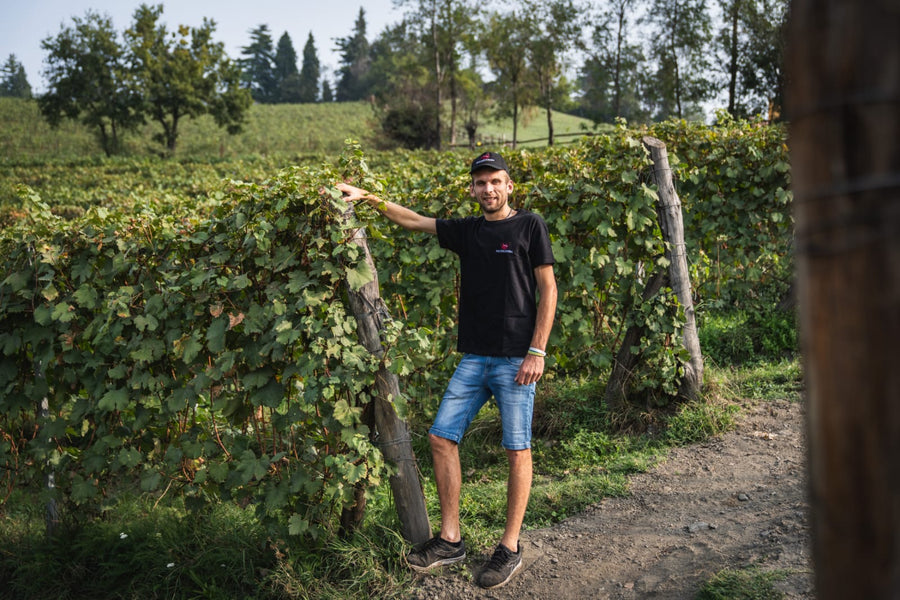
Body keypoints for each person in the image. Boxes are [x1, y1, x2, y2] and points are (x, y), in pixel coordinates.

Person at [337, 151, 557, 589]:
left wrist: (538, 350)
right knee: (440, 437)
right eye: (480, 183)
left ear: (509, 185)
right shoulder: (468, 230)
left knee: (517, 448)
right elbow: (415, 220)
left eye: (495, 181)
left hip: (517, 357)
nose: (488, 189)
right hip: (475, 357)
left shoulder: (530, 225)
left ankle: (510, 547)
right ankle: (451, 539)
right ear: (472, 189)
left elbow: (548, 288)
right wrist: (368, 198)